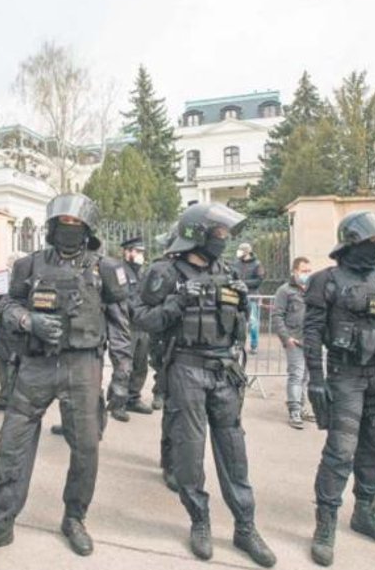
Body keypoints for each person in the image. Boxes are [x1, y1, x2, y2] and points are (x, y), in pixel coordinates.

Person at [0, 193, 131, 561]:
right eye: (62, 224)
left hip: (82, 368)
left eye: (76, 226)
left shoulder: (106, 269)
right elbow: (6, 305)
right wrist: (28, 320)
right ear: (50, 229)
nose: (68, 231)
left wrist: (122, 378)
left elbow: (120, 326)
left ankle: (75, 518)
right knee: (12, 446)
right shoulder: (28, 266)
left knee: (85, 449)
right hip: (35, 366)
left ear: (86, 231)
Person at [132, 203, 276, 567]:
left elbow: (235, 322)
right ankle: (200, 521)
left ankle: (245, 527)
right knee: (190, 452)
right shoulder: (163, 272)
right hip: (187, 369)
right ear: (198, 234)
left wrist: (241, 306)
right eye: (219, 233)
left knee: (234, 450)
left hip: (224, 371)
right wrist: (177, 303)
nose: (224, 240)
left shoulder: (225, 270)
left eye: (226, 234)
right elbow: (141, 317)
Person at [304, 211, 375, 567]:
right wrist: (316, 379)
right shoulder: (326, 280)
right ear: (350, 243)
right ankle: (326, 522)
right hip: (345, 375)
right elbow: (311, 333)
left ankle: (366, 510)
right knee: (340, 451)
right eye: (370, 241)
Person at [272, 256, 313, 429]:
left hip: (310, 339)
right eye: (304, 271)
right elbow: (277, 315)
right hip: (294, 339)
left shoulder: (312, 289)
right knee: (296, 375)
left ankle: (301, 407)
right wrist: (286, 338)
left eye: (309, 271)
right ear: (294, 271)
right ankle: (294, 410)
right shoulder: (285, 291)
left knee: (305, 376)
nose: (307, 274)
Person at [116, 236, 153, 420]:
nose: (140, 255)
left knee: (140, 364)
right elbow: (123, 297)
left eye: (141, 252)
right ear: (127, 252)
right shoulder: (120, 271)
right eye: (137, 252)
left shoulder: (141, 272)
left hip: (142, 325)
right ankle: (117, 402)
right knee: (124, 365)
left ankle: (133, 398)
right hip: (127, 324)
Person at [0, 251, 25, 412]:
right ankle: (4, 399)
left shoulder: (28, 284)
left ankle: (15, 402)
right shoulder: (5, 280)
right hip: (2, 332)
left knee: (14, 370)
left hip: (16, 334)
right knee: (2, 367)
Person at [233, 242, 265, 354]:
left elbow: (258, 281)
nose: (239, 252)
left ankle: (254, 345)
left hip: (251, 296)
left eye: (241, 250)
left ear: (247, 252)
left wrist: (242, 283)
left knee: (252, 322)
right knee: (236, 321)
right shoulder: (236, 264)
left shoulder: (257, 264)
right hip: (237, 296)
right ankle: (237, 344)